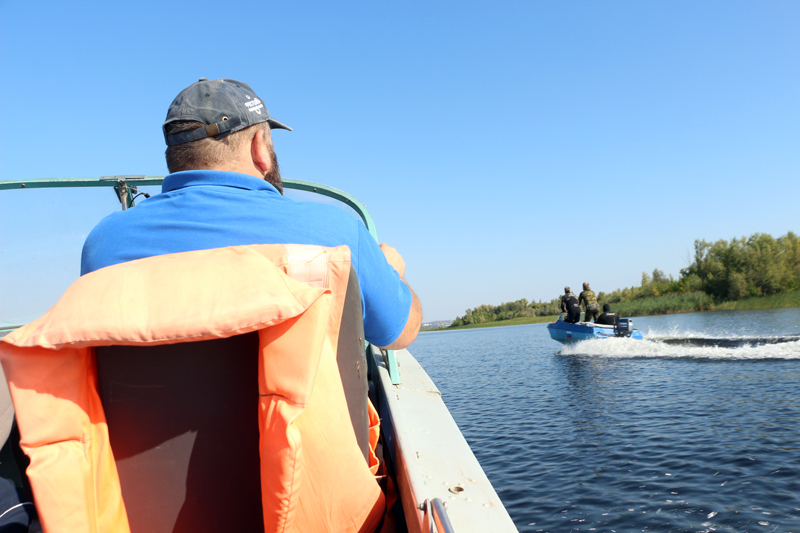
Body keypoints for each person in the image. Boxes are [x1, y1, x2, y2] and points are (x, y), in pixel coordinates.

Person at [81, 78, 421, 350]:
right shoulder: (337, 235)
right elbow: (399, 334)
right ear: (260, 146)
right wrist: (392, 271)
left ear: (175, 154)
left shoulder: (105, 243)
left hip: (141, 438)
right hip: (294, 436)